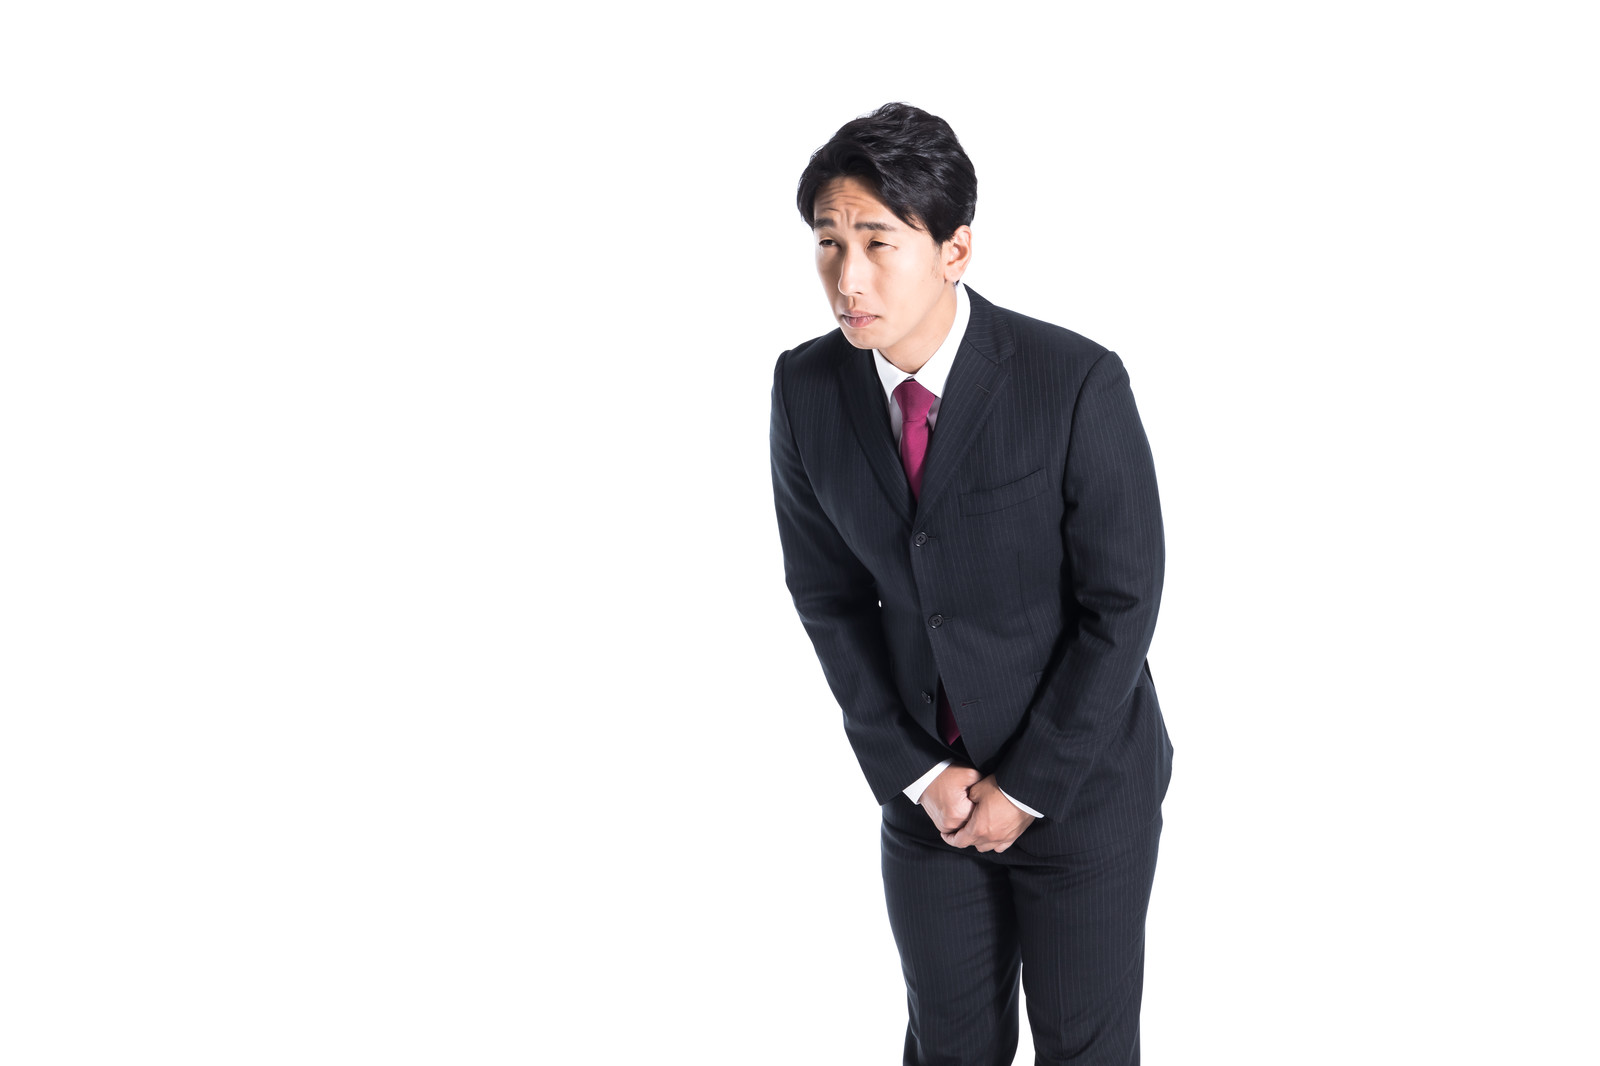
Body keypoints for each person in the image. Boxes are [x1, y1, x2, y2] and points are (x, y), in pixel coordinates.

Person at [768, 102, 1175, 1065]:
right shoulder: (806, 388)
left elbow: (1122, 603)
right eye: (828, 242)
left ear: (954, 250)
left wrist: (1026, 787)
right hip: (929, 792)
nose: (847, 278)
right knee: (948, 1047)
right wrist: (919, 772)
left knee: (1085, 1050)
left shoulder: (1073, 380)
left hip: (1081, 784)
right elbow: (827, 598)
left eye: (878, 242)